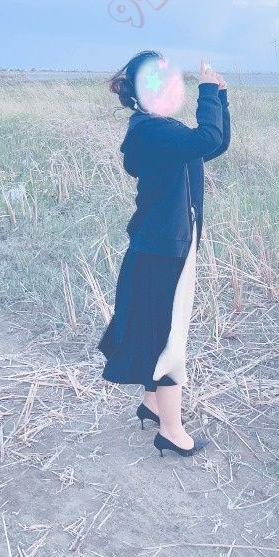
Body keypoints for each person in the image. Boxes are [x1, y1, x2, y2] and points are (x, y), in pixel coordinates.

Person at [97, 50, 231, 457]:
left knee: (159, 328)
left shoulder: (158, 129)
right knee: (170, 338)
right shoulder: (152, 132)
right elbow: (207, 139)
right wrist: (207, 91)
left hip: (165, 245)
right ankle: (171, 431)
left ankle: (153, 404)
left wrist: (219, 97)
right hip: (161, 251)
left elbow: (214, 144)